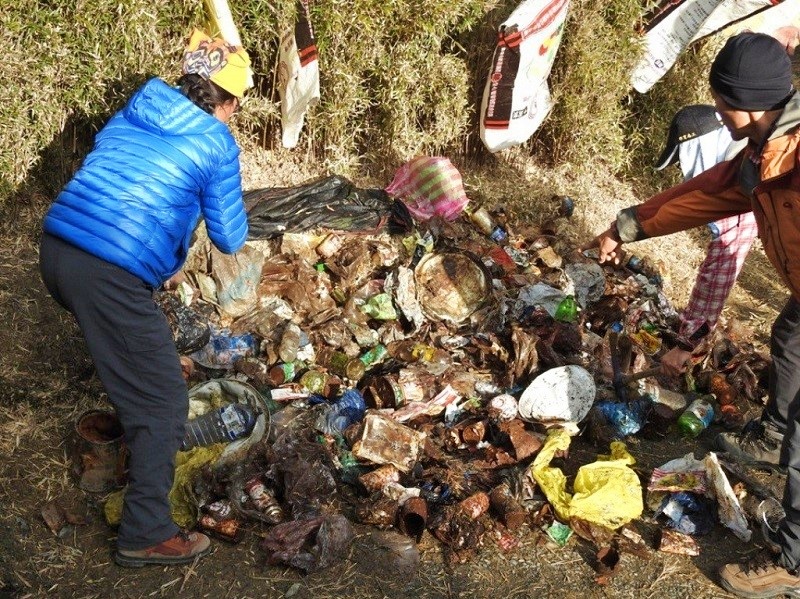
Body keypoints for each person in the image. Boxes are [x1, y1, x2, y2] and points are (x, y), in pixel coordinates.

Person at [585, 31, 800, 597]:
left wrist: (692, 338)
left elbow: (722, 258)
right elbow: (702, 193)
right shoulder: (759, 156)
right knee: (789, 339)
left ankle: (794, 559)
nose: (719, 113)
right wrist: (626, 226)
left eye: (722, 102)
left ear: (749, 102)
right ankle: (774, 434)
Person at [38, 29, 251, 567]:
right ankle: (145, 532)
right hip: (104, 273)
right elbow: (229, 236)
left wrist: (166, 257)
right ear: (226, 101)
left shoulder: (141, 104)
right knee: (163, 402)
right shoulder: (216, 140)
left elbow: (122, 181)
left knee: (139, 369)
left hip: (58, 250)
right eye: (235, 106)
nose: (232, 115)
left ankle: (116, 450)